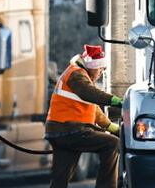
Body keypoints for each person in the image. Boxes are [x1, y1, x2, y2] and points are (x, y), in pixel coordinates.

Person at [45, 44, 124, 188]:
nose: (101, 71)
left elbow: (93, 108)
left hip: (59, 130)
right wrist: (115, 101)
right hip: (70, 129)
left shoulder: (79, 74)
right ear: (91, 66)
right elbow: (89, 93)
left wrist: (110, 127)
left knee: (60, 179)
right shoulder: (76, 74)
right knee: (112, 144)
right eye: (100, 68)